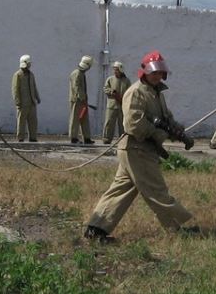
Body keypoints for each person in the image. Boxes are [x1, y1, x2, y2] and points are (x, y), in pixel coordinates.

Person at [84, 50, 197, 242]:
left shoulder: (156, 93)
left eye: (160, 72)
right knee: (157, 191)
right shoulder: (136, 92)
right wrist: (160, 134)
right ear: (145, 71)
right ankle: (178, 228)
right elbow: (134, 124)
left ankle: (96, 230)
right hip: (137, 149)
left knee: (120, 190)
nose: (157, 76)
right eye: (154, 72)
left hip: (139, 150)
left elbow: (166, 118)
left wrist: (180, 133)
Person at [11, 54, 41, 142]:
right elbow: (15, 89)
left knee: (33, 121)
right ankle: (20, 138)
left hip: (32, 102)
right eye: (28, 63)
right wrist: (17, 101)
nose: (29, 65)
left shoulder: (31, 75)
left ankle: (33, 137)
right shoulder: (17, 75)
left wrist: (37, 97)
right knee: (21, 121)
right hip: (22, 103)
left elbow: (34, 87)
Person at [102, 60, 131, 144]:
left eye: (116, 69)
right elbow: (105, 88)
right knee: (109, 123)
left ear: (120, 70)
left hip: (122, 106)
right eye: (114, 69)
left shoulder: (126, 81)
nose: (115, 71)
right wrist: (112, 92)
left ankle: (123, 140)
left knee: (123, 124)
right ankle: (106, 139)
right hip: (111, 105)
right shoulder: (110, 79)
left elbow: (130, 92)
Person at [68, 55, 94, 144]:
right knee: (75, 119)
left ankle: (87, 137)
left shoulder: (81, 73)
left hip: (82, 100)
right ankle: (73, 137)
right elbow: (76, 87)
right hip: (77, 100)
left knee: (84, 119)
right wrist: (82, 98)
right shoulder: (77, 73)